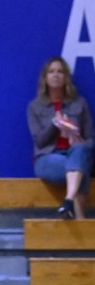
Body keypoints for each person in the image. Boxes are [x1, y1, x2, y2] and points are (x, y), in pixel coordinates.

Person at [27, 56, 94, 220]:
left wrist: (77, 140)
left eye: (60, 71)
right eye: (51, 72)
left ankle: (68, 201)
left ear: (66, 78)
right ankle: (80, 218)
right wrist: (54, 124)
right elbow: (39, 141)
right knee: (80, 168)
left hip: (75, 152)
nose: (56, 75)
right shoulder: (34, 107)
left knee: (81, 152)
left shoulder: (80, 103)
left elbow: (91, 139)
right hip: (47, 158)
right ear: (45, 78)